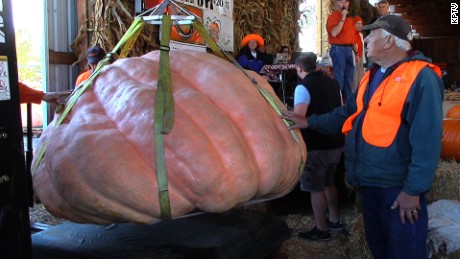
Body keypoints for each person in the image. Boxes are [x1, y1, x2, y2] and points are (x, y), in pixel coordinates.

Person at [281, 15, 443, 258]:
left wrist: (413, 191)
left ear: (389, 41)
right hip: (369, 182)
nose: (364, 39)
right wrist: (308, 121)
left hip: (397, 188)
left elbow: (428, 139)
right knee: (379, 247)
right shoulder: (373, 74)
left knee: (404, 251)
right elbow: (347, 113)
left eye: (371, 34)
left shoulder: (421, 77)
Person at [293, 53, 345, 241]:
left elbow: (299, 118)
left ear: (299, 69)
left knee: (315, 187)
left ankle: (321, 230)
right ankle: (335, 221)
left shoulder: (303, 87)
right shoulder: (333, 83)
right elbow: (340, 108)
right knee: (329, 182)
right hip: (336, 141)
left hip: (316, 144)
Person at [326, 0, 356, 102]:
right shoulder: (333, 17)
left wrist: (356, 53)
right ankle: (337, 104)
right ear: (337, 3)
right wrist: (342, 18)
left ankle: (347, 107)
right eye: (341, 2)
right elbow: (334, 33)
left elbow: (352, 37)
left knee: (349, 80)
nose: (344, 4)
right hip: (338, 49)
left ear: (349, 4)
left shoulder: (350, 19)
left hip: (349, 50)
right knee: (339, 79)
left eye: (346, 2)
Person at [352, 16, 365, 92]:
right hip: (354, 59)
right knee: (354, 79)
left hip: (360, 59)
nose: (360, 25)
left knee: (361, 78)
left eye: (361, 24)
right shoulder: (351, 34)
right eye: (357, 23)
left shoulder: (360, 35)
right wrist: (356, 55)